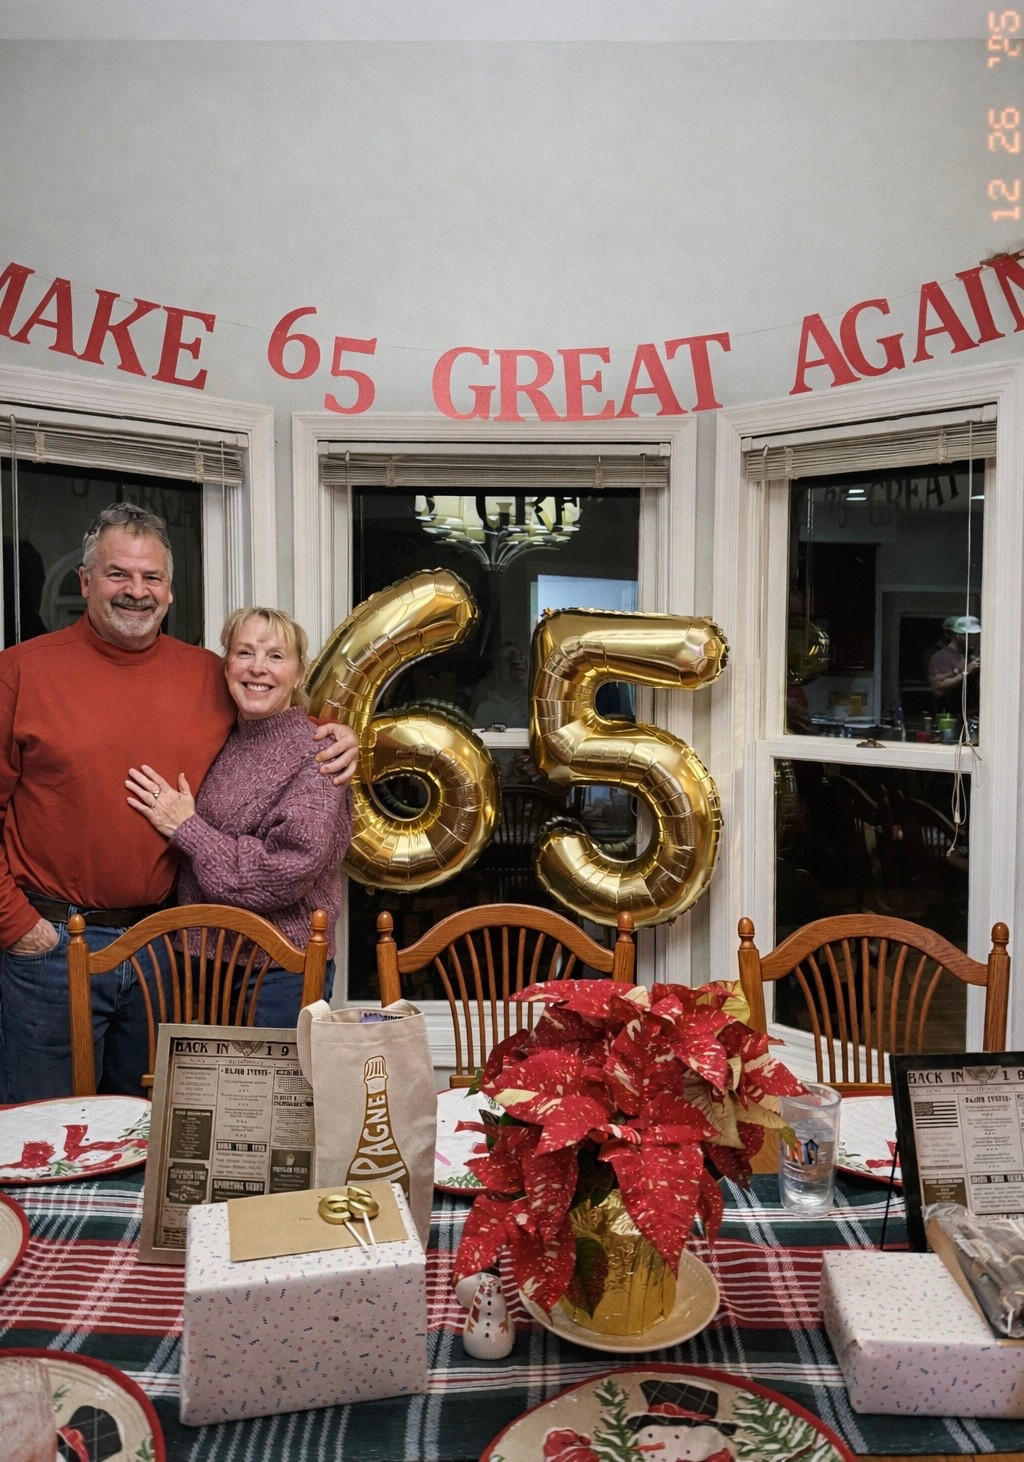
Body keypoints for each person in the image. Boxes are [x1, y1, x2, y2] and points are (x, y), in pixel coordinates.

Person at [0, 503, 358, 1103]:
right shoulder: (20, 672)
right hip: (54, 946)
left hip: (165, 951)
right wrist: (17, 925)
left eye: (152, 577)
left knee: (155, 1123)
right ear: (85, 581)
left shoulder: (206, 675)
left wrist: (339, 736)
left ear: (169, 591)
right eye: (118, 574)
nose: (136, 591)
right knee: (44, 1123)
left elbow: (274, 716)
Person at [125, 607, 352, 1025]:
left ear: (299, 674)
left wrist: (188, 830)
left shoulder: (320, 754)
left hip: (279, 971)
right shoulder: (220, 737)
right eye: (245, 652)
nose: (258, 668)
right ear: (226, 665)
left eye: (276, 656)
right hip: (202, 965)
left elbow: (285, 871)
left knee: (276, 1074)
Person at [928, 614, 981, 717]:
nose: (972, 639)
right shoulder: (941, 657)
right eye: (968, 635)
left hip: (974, 712)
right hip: (952, 714)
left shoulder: (971, 655)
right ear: (958, 635)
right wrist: (964, 673)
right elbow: (937, 689)